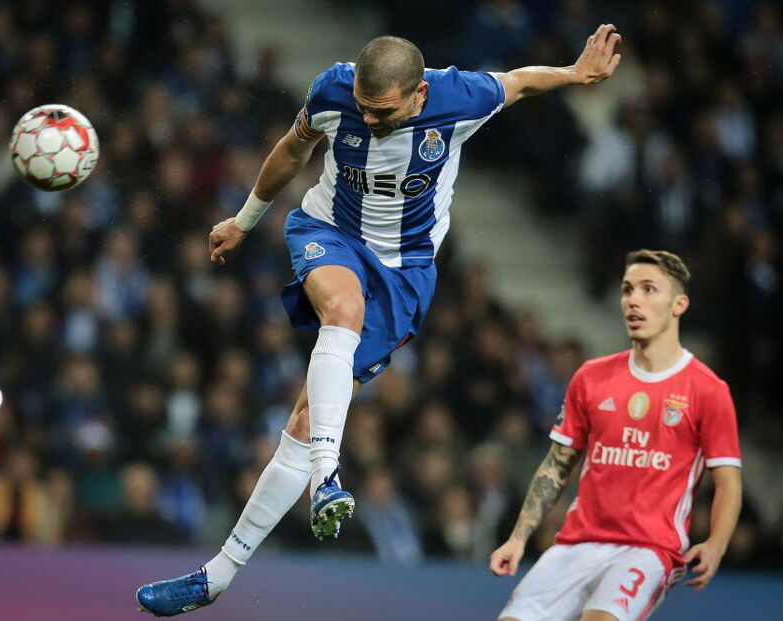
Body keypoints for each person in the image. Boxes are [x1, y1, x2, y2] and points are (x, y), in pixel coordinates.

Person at [137, 24, 623, 616]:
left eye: (383, 111)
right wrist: (245, 218)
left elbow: (519, 83)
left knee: (307, 416)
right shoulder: (332, 91)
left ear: (418, 93)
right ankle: (327, 477)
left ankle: (215, 578)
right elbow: (294, 149)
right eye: (363, 109)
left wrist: (575, 74)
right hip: (329, 231)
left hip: (404, 268)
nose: (368, 120)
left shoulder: (458, 98)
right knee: (343, 308)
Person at [490, 250, 742, 621]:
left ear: (679, 304)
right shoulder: (591, 378)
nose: (633, 300)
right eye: (627, 290)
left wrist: (716, 545)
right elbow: (556, 465)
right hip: (577, 542)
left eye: (648, 290)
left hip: (649, 549)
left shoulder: (707, 390)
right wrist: (518, 537)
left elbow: (729, 482)